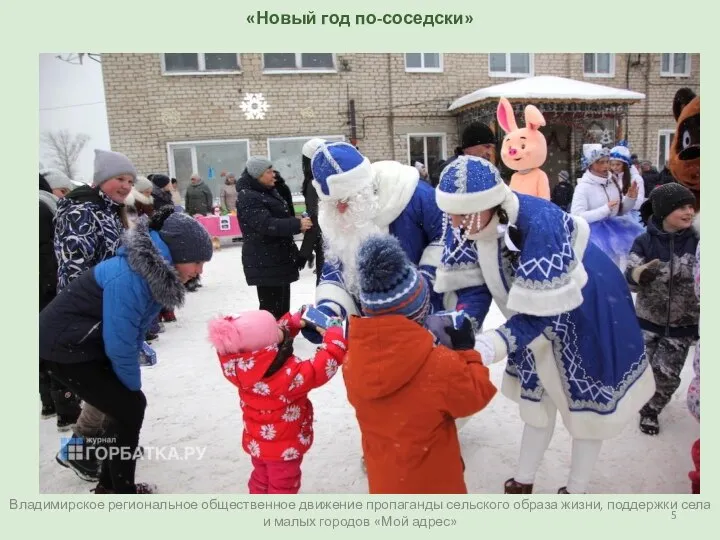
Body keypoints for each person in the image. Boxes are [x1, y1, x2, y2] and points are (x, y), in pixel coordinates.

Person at [434, 155, 655, 494]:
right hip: (529, 318)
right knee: (536, 400)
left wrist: (495, 343)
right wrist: (464, 326)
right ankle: (524, 478)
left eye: (463, 214)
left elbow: (547, 312)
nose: (456, 223)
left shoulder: (540, 223)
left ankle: (575, 489)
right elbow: (475, 286)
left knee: (586, 410)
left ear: (490, 205)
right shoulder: (465, 222)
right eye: (452, 214)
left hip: (587, 306)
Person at [40, 208, 213, 494]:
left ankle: (111, 486)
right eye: (196, 262)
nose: (199, 271)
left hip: (82, 344)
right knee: (129, 406)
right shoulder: (130, 277)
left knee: (123, 409)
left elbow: (133, 329)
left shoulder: (152, 274)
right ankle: (118, 491)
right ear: (176, 255)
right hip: (63, 346)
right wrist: (130, 385)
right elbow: (120, 341)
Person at [343, 234, 497, 493]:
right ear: (419, 312)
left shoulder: (353, 360)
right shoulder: (439, 365)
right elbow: (476, 395)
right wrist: (465, 351)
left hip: (385, 481)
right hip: (434, 483)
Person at [304, 141, 488, 342]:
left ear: (364, 188)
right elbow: (337, 264)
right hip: (376, 327)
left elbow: (449, 236)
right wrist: (329, 311)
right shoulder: (338, 218)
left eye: (346, 200)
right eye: (333, 203)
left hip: (429, 313)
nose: (339, 209)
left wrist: (420, 285)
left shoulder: (411, 193)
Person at [53, 148, 137, 481]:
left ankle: (105, 442)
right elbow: (76, 269)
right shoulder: (81, 211)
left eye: (130, 181)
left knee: (114, 379)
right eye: (120, 179)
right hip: (89, 311)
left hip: (107, 306)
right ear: (102, 179)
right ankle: (78, 452)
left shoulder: (107, 210)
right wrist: (99, 311)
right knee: (109, 383)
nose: (126, 185)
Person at [207, 309, 347, 494]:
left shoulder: (240, 365)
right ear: (269, 349)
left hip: (258, 443)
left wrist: (293, 322)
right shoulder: (287, 377)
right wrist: (335, 335)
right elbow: (322, 366)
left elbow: (268, 336)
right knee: (283, 485)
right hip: (284, 448)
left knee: (261, 477)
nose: (278, 328)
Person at [626, 183, 699, 436]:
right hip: (647, 320)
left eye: (691, 206)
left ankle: (651, 410)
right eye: (681, 207)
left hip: (683, 324)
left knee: (666, 374)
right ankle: (635, 398)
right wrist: (639, 274)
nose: (689, 212)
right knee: (641, 367)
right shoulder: (644, 241)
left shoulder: (698, 241)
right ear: (664, 212)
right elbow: (630, 275)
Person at [235, 157, 312, 319]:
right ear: (257, 175)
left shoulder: (266, 191)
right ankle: (271, 341)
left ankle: (283, 339)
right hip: (265, 259)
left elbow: (279, 217)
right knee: (271, 310)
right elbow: (265, 224)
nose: (273, 175)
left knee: (282, 307)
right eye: (268, 172)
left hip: (277, 257)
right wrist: (296, 224)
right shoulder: (248, 196)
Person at [39, 171, 81, 427]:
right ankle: (65, 407)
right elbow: (49, 254)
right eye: (61, 191)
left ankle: (50, 402)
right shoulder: (43, 208)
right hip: (47, 288)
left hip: (42, 287)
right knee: (56, 346)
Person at [570, 144, 643, 271]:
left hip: (617, 230)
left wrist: (630, 198)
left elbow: (620, 211)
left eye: (607, 162)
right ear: (590, 165)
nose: (605, 166)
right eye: (600, 162)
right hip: (594, 236)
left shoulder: (612, 181)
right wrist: (604, 210)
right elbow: (577, 216)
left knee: (620, 270)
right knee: (602, 272)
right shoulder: (583, 187)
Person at [298, 139, 325, 283]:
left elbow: (315, 221)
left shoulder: (314, 183)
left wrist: (304, 253)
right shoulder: (336, 180)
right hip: (343, 244)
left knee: (327, 290)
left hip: (326, 248)